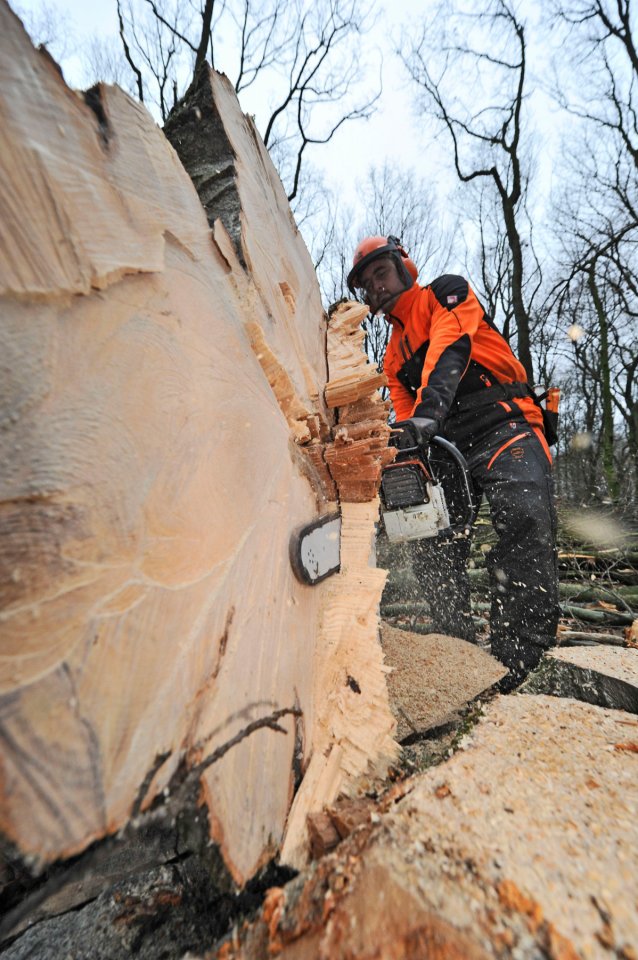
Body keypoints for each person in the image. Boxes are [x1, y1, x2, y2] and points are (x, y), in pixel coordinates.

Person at [347, 235, 559, 690]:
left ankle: (522, 659)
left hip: (503, 420)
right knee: (429, 538)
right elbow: (405, 416)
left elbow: (451, 347)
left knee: (524, 516)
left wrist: (427, 413)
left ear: (403, 266)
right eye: (367, 283)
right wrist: (404, 447)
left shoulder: (446, 293)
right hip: (447, 442)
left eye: (381, 273)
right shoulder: (392, 356)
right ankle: (457, 651)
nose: (376, 286)